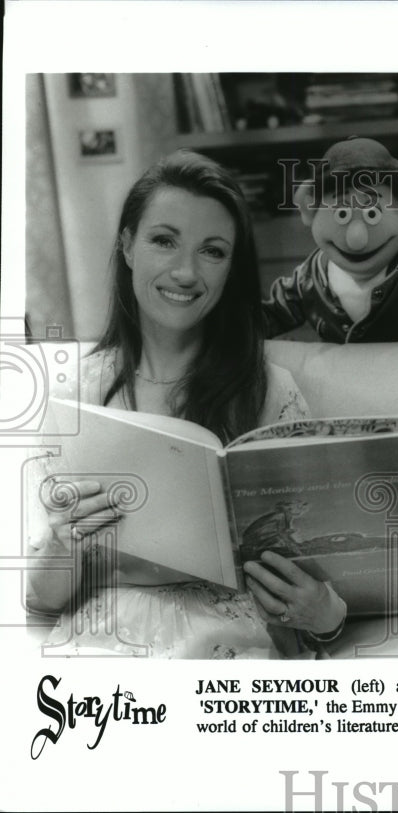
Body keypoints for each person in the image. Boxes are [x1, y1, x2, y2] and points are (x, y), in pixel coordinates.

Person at [26, 150, 348, 658]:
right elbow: (41, 599)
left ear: (231, 269)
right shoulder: (76, 395)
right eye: (163, 240)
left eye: (213, 251)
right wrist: (63, 545)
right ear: (128, 246)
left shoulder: (272, 391)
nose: (185, 272)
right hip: (107, 647)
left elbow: (313, 579)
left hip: (230, 647)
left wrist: (325, 615)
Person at [261, 137, 398, 342]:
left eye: (372, 213)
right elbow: (266, 319)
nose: (357, 239)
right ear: (309, 209)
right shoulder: (308, 278)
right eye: (342, 213)